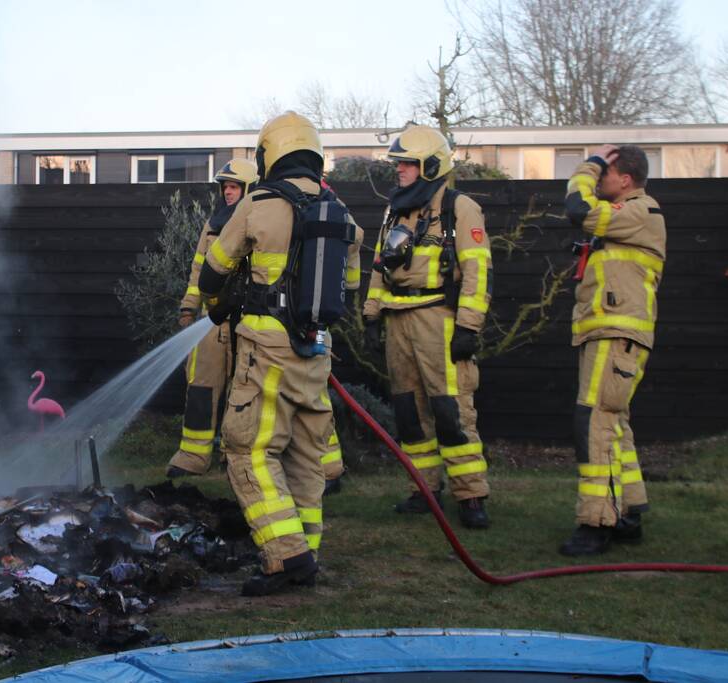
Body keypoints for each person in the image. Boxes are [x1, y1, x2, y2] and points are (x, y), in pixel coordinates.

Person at [198, 111, 364, 595]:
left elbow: (213, 270)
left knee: (247, 448)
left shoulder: (259, 202)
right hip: (316, 349)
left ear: (271, 153)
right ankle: (303, 554)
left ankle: (286, 554)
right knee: (306, 456)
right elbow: (348, 286)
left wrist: (219, 301)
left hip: (266, 347)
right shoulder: (341, 213)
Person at [362, 125, 492, 529]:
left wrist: (468, 326)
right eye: (398, 163)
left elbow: (477, 271)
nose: (398, 170)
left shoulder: (460, 208)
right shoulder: (396, 211)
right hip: (399, 320)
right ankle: (424, 489)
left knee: (451, 410)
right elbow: (380, 268)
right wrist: (370, 315)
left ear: (431, 166)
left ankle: (471, 496)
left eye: (407, 164)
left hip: (439, 319)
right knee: (409, 413)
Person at [559, 144, 666, 556]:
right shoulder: (628, 220)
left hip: (616, 332)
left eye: (607, 173)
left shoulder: (641, 211)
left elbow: (578, 209)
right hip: (608, 331)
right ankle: (629, 511)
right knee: (614, 422)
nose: (600, 179)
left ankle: (597, 521)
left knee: (595, 422)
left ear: (625, 179)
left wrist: (590, 164)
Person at [167, 158, 258, 478]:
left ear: (249, 190)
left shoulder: (260, 222)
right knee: (201, 385)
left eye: (234, 187)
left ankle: (233, 456)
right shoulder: (213, 224)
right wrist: (189, 307)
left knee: (243, 391)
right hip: (212, 321)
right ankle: (192, 455)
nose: (228, 193)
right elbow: (198, 271)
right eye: (225, 187)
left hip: (248, 322)